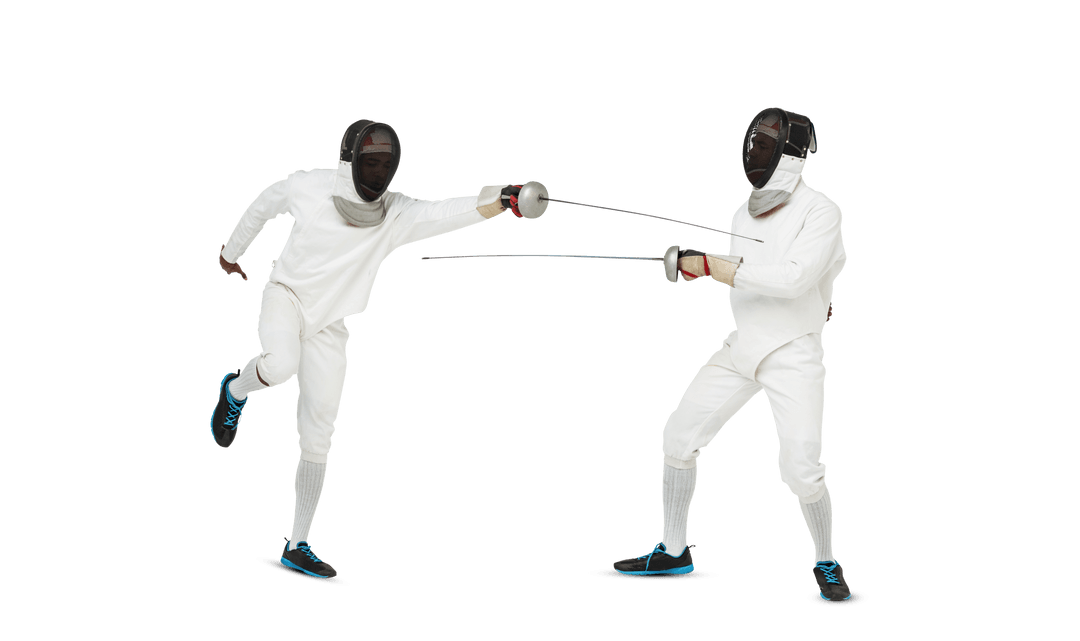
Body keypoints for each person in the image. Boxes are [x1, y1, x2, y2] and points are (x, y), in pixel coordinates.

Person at [210, 118, 523, 580]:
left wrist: (499, 200)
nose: (376, 171)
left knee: (319, 434)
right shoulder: (309, 186)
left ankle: (298, 544)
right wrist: (231, 253)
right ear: (348, 160)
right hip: (287, 298)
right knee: (279, 365)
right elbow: (262, 204)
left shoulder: (394, 214)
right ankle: (235, 390)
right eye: (369, 161)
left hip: (330, 322)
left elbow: (444, 213)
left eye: (384, 163)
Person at [610, 106, 853, 601]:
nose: (753, 153)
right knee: (678, 437)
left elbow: (794, 277)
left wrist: (717, 267)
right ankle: (674, 553)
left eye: (765, 146)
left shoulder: (823, 210)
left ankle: (826, 560)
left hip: (793, 353)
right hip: (742, 344)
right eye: (753, 144)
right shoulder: (744, 210)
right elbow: (753, 269)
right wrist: (704, 268)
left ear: (790, 154)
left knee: (800, 469)